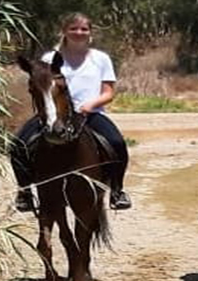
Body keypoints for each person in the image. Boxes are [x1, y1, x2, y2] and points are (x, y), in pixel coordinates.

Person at [10, 12, 133, 211]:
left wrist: (90, 105)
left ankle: (117, 191)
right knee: (18, 145)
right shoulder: (50, 58)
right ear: (64, 31)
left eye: (84, 29)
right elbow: (42, 88)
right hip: (54, 113)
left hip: (89, 114)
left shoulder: (101, 59)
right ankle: (24, 192)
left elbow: (108, 92)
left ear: (90, 33)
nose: (79, 32)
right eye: (73, 28)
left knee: (117, 143)